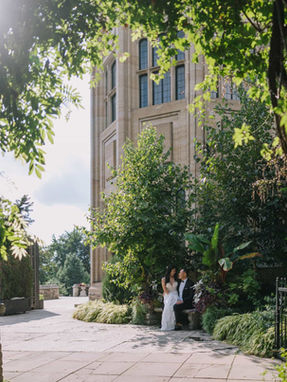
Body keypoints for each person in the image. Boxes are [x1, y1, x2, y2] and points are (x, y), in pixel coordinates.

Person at [160, 265, 179, 331]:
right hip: (168, 295)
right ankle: (166, 325)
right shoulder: (164, 279)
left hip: (175, 294)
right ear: (169, 271)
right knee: (168, 307)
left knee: (171, 306)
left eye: (175, 271)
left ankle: (172, 324)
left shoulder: (176, 278)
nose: (174, 272)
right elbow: (165, 290)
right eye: (173, 271)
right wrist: (170, 296)